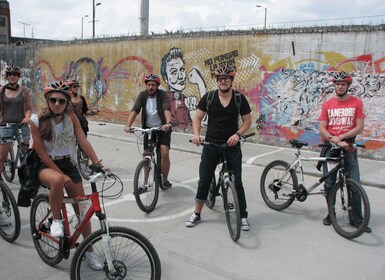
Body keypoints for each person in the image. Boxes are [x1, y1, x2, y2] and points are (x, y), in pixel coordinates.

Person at [29, 81, 105, 269]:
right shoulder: (36, 121)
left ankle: (89, 251)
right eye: (53, 100)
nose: (57, 104)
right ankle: (56, 221)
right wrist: (59, 174)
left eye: (61, 101)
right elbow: (41, 153)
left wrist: (97, 163)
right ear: (47, 100)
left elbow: (83, 142)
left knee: (83, 210)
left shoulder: (71, 118)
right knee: (57, 180)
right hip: (45, 164)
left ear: (66, 102)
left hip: (68, 163)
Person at [186, 64, 252, 231]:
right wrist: (196, 134)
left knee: (237, 182)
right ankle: (196, 213)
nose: (223, 81)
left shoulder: (239, 98)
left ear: (231, 80)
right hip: (211, 144)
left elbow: (247, 121)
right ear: (217, 81)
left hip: (232, 145)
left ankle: (243, 215)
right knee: (204, 179)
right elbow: (197, 118)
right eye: (220, 79)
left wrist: (237, 134)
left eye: (226, 78)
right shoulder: (209, 98)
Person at [319, 71, 371, 233]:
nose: (340, 87)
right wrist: (333, 138)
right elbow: (322, 126)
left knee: (354, 183)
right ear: (334, 85)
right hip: (331, 147)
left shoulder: (356, 102)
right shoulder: (328, 104)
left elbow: (359, 126)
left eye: (343, 84)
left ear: (348, 86)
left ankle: (356, 219)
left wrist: (341, 137)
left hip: (348, 146)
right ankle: (331, 214)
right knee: (329, 183)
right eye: (337, 84)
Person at [124, 74, 173, 189]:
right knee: (147, 155)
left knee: (164, 153)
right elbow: (135, 109)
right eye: (149, 85)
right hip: (148, 129)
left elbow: (166, 108)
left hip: (162, 129)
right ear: (146, 85)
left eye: (153, 85)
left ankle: (165, 180)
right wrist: (128, 125)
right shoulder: (143, 95)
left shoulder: (162, 95)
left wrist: (168, 123)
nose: (151, 87)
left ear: (157, 86)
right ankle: (145, 183)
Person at [0, 64, 32, 180]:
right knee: (1, 157)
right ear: (7, 77)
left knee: (25, 153)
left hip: (21, 126)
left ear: (18, 76)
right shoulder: (2, 91)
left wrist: (27, 118)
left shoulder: (24, 91)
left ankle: (27, 178)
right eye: (10, 74)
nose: (12, 76)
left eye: (15, 74)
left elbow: (28, 108)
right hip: (6, 126)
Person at [161, 47, 192, 131]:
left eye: (182, 70)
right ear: (166, 78)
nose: (180, 76)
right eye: (174, 72)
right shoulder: (166, 101)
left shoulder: (187, 101)